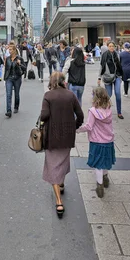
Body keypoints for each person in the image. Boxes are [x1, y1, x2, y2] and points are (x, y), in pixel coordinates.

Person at [41, 72, 84, 218]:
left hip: (52, 136)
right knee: (63, 161)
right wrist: (74, 127)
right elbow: (80, 115)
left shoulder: (48, 96)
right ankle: (62, 183)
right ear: (64, 81)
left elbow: (44, 115)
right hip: (67, 135)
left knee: (53, 165)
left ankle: (59, 202)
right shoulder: (70, 95)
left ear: (52, 82)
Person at [76, 87, 116, 198]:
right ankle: (106, 177)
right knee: (105, 160)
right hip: (108, 140)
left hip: (97, 141)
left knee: (98, 163)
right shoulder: (108, 109)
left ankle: (100, 185)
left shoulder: (93, 111)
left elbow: (89, 126)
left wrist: (78, 130)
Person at [98, 41, 124, 119]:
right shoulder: (104, 55)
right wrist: (99, 77)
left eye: (113, 46)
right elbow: (101, 67)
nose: (111, 47)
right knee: (108, 95)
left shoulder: (117, 55)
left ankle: (119, 112)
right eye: (110, 46)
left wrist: (122, 75)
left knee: (118, 93)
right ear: (107, 47)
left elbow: (120, 65)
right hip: (107, 77)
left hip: (117, 76)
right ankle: (104, 110)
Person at [4, 41, 26, 117]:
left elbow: (24, 68)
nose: (9, 51)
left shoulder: (19, 58)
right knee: (8, 94)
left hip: (17, 78)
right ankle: (8, 110)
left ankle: (16, 107)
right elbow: (6, 69)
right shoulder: (7, 59)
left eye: (10, 50)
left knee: (16, 94)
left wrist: (20, 64)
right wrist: (5, 79)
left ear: (14, 50)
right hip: (9, 78)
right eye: (8, 49)